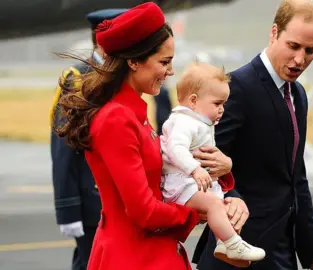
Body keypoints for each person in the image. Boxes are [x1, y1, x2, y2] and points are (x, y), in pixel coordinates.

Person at [53, 3, 240, 269]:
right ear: (133, 61)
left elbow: (164, 181)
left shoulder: (133, 112)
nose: (171, 71)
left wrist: (217, 193)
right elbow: (143, 211)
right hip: (134, 256)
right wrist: (197, 212)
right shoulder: (118, 118)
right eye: (164, 62)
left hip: (150, 252)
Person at [193, 0, 313, 269]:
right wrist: (232, 195)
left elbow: (296, 180)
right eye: (293, 46)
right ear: (273, 33)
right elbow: (204, 160)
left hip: (281, 252)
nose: (300, 59)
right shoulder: (236, 88)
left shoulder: (299, 95)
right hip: (236, 252)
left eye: (310, 50)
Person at [161, 61, 266, 267]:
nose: (222, 110)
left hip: (193, 184)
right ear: (193, 101)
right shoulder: (184, 122)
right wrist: (195, 169)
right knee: (215, 204)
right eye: (217, 104)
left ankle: (224, 245)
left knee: (225, 206)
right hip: (180, 184)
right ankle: (231, 243)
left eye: (224, 104)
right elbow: (175, 149)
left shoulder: (200, 122)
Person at [49, 8, 126, 270]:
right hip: (91, 203)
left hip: (121, 200)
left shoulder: (126, 74)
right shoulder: (78, 79)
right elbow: (63, 148)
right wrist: (67, 208)